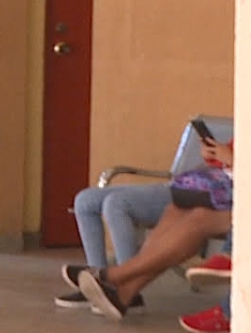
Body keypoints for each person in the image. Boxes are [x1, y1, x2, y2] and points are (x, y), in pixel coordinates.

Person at [76, 138, 234, 321]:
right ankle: (124, 293)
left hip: (246, 201)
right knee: (174, 210)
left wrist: (232, 159)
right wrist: (216, 156)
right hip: (221, 190)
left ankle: (113, 276)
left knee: (198, 217)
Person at [54, 183, 169, 310]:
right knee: (84, 200)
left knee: (116, 203)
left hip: (189, 189)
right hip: (178, 182)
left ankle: (128, 290)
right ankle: (95, 286)